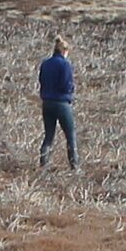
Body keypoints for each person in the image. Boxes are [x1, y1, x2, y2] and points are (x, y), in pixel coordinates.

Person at [36, 33, 78, 168]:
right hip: (61, 103)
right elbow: (66, 84)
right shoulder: (65, 64)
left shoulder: (45, 64)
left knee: (48, 135)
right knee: (70, 136)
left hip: (47, 102)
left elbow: (41, 81)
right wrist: (70, 91)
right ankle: (74, 165)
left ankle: (43, 163)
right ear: (64, 51)